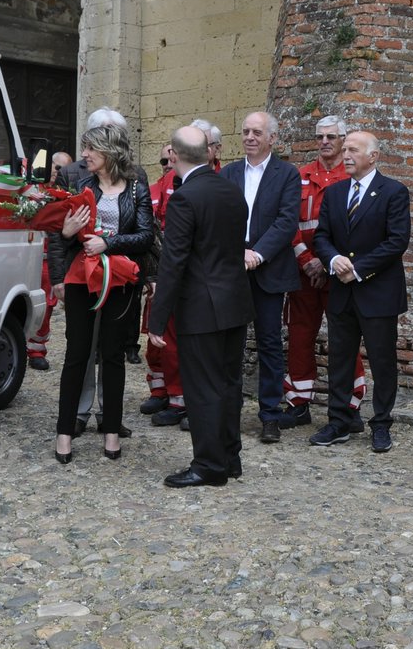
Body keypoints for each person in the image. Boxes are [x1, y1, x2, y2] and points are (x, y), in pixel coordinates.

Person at [149, 125, 254, 487]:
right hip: (235, 301)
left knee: (203, 388)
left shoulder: (184, 197)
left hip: (201, 306)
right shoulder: (231, 189)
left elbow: (173, 261)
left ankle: (209, 465)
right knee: (228, 383)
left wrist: (156, 320)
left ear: (174, 157)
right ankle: (229, 457)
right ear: (209, 153)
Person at [52, 124, 151, 465]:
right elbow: (63, 235)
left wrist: (110, 242)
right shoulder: (81, 185)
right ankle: (64, 431)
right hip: (82, 276)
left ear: (109, 151)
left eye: (90, 149)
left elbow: (146, 237)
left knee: (113, 354)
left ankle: (111, 429)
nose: (84, 155)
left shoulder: (136, 186)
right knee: (77, 353)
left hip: (120, 278)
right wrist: (67, 232)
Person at [308, 131, 411, 454]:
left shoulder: (393, 192)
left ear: (373, 156)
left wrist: (357, 268)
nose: (346, 154)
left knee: (382, 360)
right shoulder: (336, 193)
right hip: (341, 292)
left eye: (353, 149)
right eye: (346, 149)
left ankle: (381, 423)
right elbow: (322, 236)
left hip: (377, 291)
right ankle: (339, 420)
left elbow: (397, 241)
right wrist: (334, 259)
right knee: (339, 358)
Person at [222, 111, 301, 444]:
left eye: (257, 132)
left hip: (268, 269)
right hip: (233, 270)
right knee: (230, 343)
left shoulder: (287, 174)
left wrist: (257, 253)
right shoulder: (228, 173)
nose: (250, 137)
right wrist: (236, 253)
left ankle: (270, 415)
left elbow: (286, 221)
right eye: (245, 131)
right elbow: (221, 217)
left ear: (272, 138)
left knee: (269, 343)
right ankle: (228, 411)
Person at [282, 115, 365, 428]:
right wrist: (306, 260)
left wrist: (328, 262)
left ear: (343, 139)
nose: (325, 142)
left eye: (331, 137)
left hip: (339, 271)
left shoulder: (353, 176)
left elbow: (358, 227)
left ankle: (350, 405)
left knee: (345, 338)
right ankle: (298, 404)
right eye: (320, 137)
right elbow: (288, 222)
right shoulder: (299, 176)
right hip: (304, 272)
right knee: (300, 336)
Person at [141, 143, 185, 421]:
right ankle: (160, 391)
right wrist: (151, 276)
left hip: (184, 275)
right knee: (155, 336)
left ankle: (179, 396)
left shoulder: (211, 181)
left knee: (177, 338)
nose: (167, 164)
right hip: (160, 274)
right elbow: (149, 233)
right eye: (163, 160)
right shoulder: (154, 189)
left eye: (172, 158)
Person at [28, 149, 72, 373]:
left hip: (47, 257)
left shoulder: (65, 194)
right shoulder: (32, 188)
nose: (59, 173)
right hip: (24, 253)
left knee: (46, 304)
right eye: (57, 168)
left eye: (64, 169)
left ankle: (37, 349)